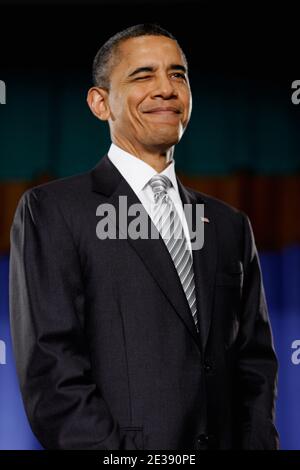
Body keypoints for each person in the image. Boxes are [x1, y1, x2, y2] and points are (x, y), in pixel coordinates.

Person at [9, 23, 279, 450]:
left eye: (178, 75)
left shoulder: (230, 226)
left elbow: (255, 363)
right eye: (142, 75)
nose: (166, 89)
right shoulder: (53, 211)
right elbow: (53, 372)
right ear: (101, 103)